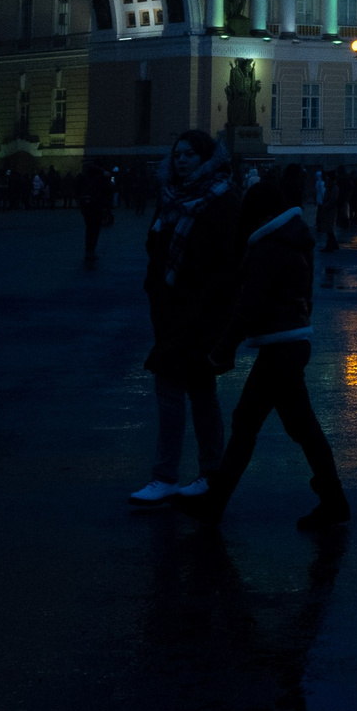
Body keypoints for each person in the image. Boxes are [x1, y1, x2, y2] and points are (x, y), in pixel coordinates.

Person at [174, 167, 349, 531]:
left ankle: (216, 503)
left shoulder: (268, 247)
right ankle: (333, 499)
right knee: (298, 426)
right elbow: (301, 297)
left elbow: (247, 307)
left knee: (249, 423)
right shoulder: (293, 240)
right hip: (291, 342)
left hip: (279, 346)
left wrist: (222, 350)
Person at [131, 132, 241, 508]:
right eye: (177, 154)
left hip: (202, 310)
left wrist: (207, 304)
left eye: (189, 155)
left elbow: (227, 262)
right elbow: (155, 247)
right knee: (196, 388)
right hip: (170, 306)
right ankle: (206, 473)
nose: (181, 160)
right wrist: (154, 288)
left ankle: (170, 476)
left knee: (176, 386)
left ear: (206, 158)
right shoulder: (171, 196)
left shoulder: (222, 199)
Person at [79, 162, 111, 265]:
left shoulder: (85, 181)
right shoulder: (100, 181)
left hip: (87, 209)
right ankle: (92, 251)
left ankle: (88, 251)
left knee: (89, 230)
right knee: (95, 230)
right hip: (97, 208)